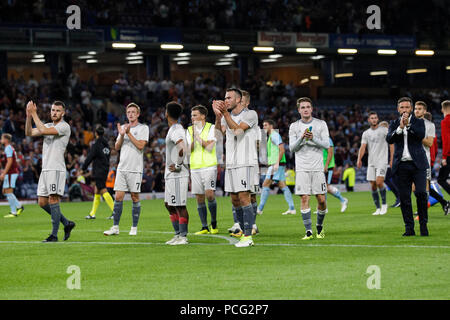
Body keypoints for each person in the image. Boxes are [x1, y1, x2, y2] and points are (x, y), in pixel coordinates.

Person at [213, 88, 258, 247]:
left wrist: (225, 114)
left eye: (229, 98)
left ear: (238, 100)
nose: (226, 100)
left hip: (245, 161)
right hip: (231, 162)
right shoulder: (227, 116)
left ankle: (248, 236)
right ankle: (243, 232)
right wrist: (218, 117)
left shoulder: (250, 114)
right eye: (225, 97)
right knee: (234, 199)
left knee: (245, 196)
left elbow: (238, 131)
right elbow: (218, 135)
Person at [25, 100, 75, 242]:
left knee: (53, 199)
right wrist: (29, 116)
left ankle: (54, 235)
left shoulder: (65, 127)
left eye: (57, 110)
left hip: (56, 168)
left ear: (63, 113)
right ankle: (67, 223)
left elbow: (44, 131)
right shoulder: (46, 125)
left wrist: (34, 113)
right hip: (46, 169)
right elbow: (29, 132)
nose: (54, 113)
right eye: (53, 110)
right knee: (42, 202)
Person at [103, 103, 149, 236]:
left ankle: (134, 227)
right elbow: (116, 147)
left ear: (138, 114)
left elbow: (141, 145)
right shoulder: (123, 127)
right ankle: (115, 227)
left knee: (135, 197)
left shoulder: (143, 128)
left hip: (135, 168)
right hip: (122, 167)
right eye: (129, 112)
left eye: (133, 112)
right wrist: (122, 135)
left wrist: (129, 134)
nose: (131, 114)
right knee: (118, 196)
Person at [386, 97, 429, 236]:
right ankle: (409, 228)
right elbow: (389, 139)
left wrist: (408, 125)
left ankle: (423, 225)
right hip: (401, 166)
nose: (405, 110)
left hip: (418, 165)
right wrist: (400, 128)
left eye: (407, 107)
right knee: (405, 198)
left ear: (411, 109)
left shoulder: (419, 122)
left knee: (421, 193)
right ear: (398, 109)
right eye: (402, 107)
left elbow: (420, 135)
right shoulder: (393, 123)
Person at [289, 97, 330, 240]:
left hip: (317, 168)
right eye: (303, 107)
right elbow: (292, 148)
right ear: (299, 110)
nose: (305, 109)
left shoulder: (321, 124)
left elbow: (326, 145)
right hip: (301, 168)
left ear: (312, 109)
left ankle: (319, 227)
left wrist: (312, 138)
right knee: (304, 197)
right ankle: (308, 231)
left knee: (321, 199)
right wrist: (301, 138)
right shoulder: (294, 126)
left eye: (308, 107)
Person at [186, 105, 218, 235]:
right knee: (199, 198)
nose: (192, 118)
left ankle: (214, 223)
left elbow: (209, 147)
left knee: (209, 194)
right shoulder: (188, 130)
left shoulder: (212, 128)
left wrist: (198, 137)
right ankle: (204, 227)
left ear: (203, 116)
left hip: (209, 165)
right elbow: (189, 150)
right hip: (195, 167)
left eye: (195, 115)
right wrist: (194, 137)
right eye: (192, 115)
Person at [413, 103, 449, 217]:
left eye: (419, 109)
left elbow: (432, 146)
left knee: (424, 186)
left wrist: (437, 159)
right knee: (416, 187)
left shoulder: (432, 128)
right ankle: (443, 203)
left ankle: (423, 210)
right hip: (418, 160)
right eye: (416, 109)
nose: (417, 111)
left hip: (427, 160)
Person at [163, 102, 190, 246]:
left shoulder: (177, 130)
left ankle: (183, 237)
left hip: (179, 173)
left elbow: (183, 149)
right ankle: (177, 234)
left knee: (179, 205)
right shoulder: (173, 129)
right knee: (169, 204)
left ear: (167, 113)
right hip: (171, 174)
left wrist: (179, 165)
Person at [257, 119, 296, 216]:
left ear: (271, 126)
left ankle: (259, 209)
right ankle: (292, 208)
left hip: (276, 164)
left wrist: (276, 163)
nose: (264, 127)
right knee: (282, 185)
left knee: (265, 184)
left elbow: (282, 149)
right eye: (263, 125)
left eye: (265, 125)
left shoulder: (274, 135)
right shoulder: (271, 136)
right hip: (278, 164)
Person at [357, 111, 391, 216]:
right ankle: (377, 208)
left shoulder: (384, 130)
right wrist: (359, 159)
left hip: (382, 160)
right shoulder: (366, 133)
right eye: (372, 118)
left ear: (378, 119)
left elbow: (392, 144)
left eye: (375, 118)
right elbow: (362, 147)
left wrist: (392, 158)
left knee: (379, 182)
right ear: (369, 120)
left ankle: (384, 204)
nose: (374, 119)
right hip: (371, 162)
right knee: (372, 185)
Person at [81, 124, 115, 219]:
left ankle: (115, 211)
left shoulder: (96, 145)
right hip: (104, 169)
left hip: (99, 170)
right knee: (97, 190)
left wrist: (83, 168)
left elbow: (89, 157)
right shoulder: (107, 145)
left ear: (96, 133)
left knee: (103, 189)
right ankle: (92, 213)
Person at [1, 133, 25, 218]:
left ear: (6, 140)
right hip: (10, 172)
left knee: (9, 191)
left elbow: (10, 161)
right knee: (5, 191)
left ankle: (15, 210)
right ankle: (17, 208)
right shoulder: (9, 148)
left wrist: (3, 173)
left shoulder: (8, 148)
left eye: (2, 138)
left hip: (11, 172)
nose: (1, 140)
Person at [379, 121, 401, 208]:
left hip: (390, 162)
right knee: (391, 179)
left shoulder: (389, 137)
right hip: (388, 161)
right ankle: (399, 198)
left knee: (388, 179)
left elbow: (392, 149)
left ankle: (399, 198)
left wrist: (391, 160)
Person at [323, 137, 348, 213]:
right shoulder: (319, 139)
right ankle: (324, 208)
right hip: (321, 166)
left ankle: (342, 200)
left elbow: (330, 153)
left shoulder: (327, 139)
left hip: (328, 167)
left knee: (326, 187)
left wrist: (327, 165)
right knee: (323, 187)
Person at [437, 100, 450, 198]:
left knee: (441, 179)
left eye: (442, 108)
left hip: (449, 155)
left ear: (444, 109)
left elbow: (446, 140)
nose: (441, 111)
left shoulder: (445, 121)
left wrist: (444, 156)